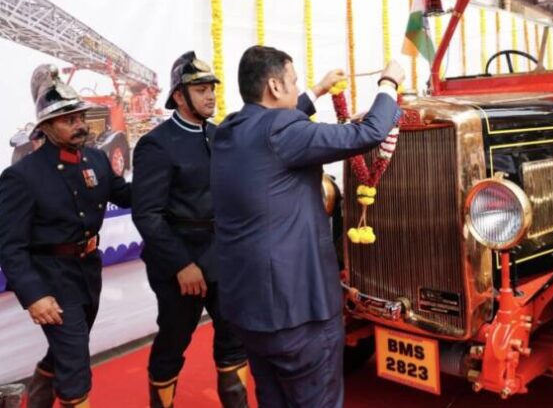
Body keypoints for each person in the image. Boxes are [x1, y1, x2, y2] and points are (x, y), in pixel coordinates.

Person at [211, 45, 403, 407]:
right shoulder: (284, 132)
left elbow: (273, 126)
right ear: (274, 85)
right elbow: (371, 133)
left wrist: (315, 91)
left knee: (273, 398)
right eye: (293, 81)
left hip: (248, 311)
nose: (296, 86)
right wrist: (388, 82)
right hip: (296, 312)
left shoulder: (230, 129)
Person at [0, 65, 132, 408]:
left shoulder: (96, 158)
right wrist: (34, 296)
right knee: (75, 365)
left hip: (88, 271)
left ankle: (36, 400)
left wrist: (167, 184)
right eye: (67, 119)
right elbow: (10, 246)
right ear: (45, 126)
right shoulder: (22, 176)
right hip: (52, 278)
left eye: (80, 116)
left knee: (66, 347)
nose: (79, 125)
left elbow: (126, 194)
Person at [132, 52, 248, 408]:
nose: (210, 95)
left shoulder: (218, 135)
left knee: (233, 337)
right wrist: (182, 264)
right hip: (179, 261)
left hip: (222, 255)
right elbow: (148, 214)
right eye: (200, 89)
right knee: (173, 339)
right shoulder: (156, 143)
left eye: (211, 88)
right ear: (179, 96)